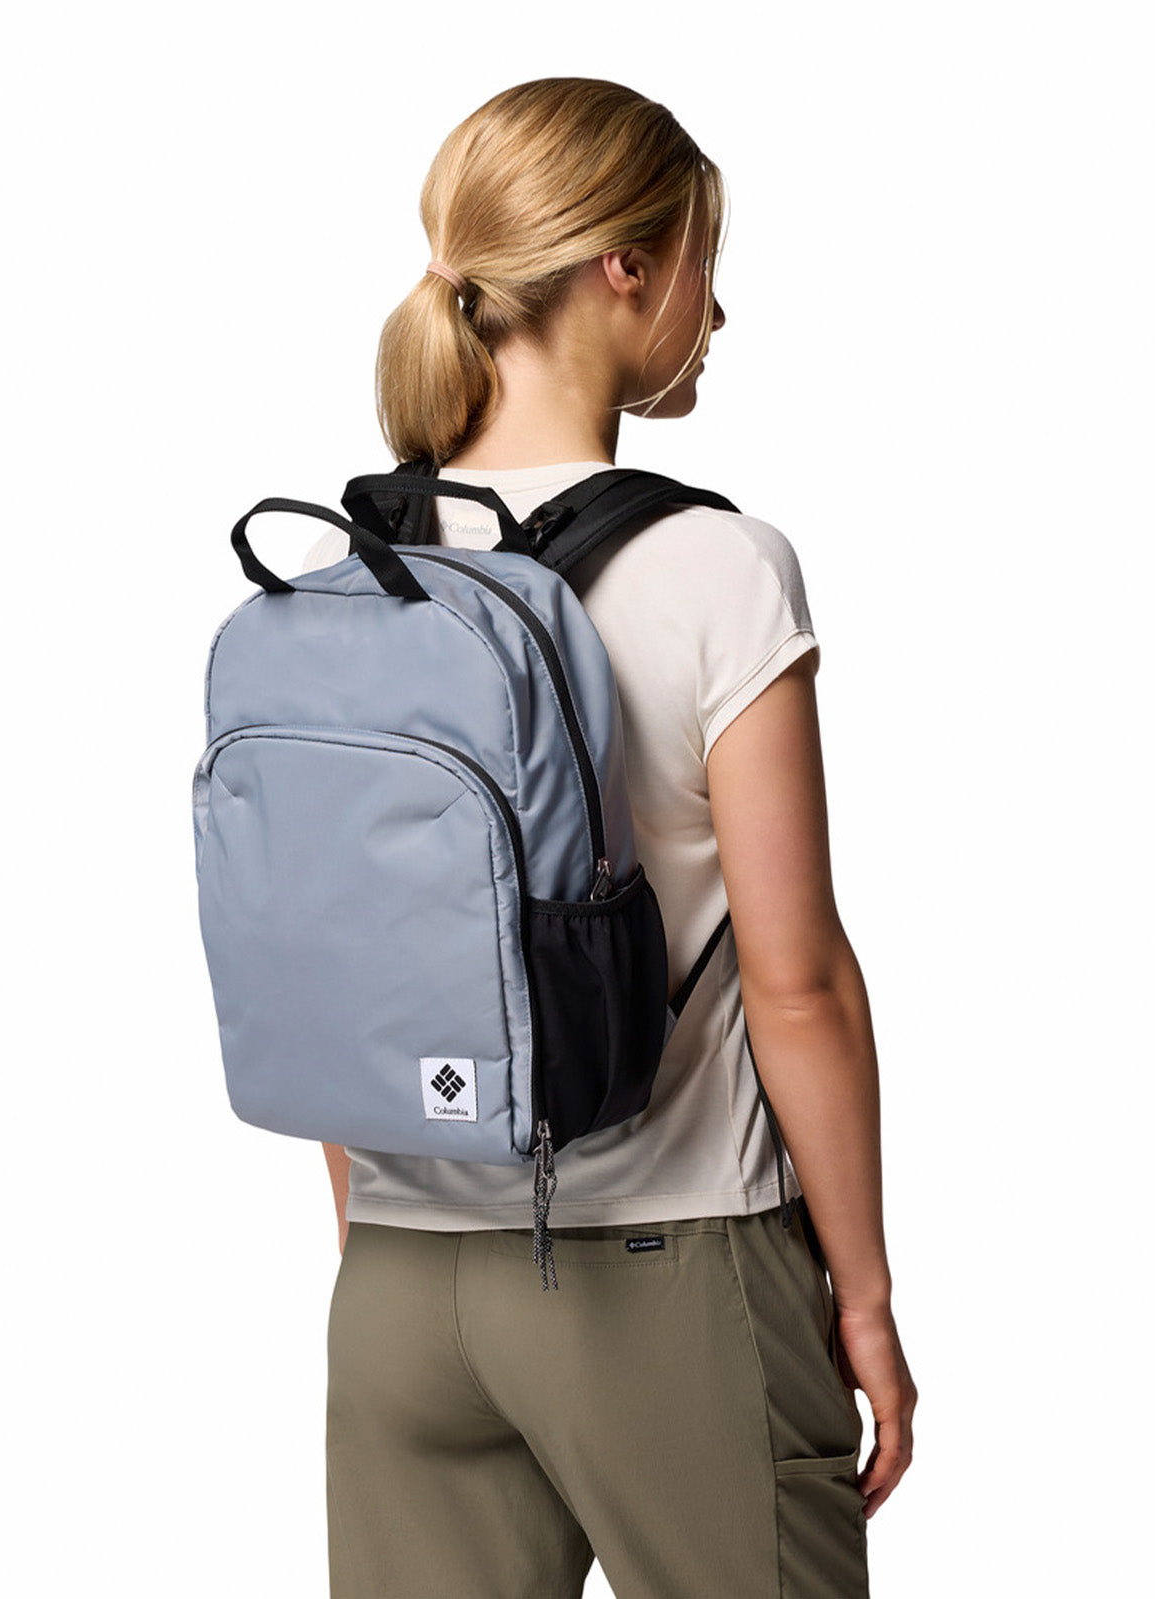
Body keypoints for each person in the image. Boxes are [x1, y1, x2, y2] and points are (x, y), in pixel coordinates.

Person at [308, 77, 916, 1599]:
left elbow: (336, 962)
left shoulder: (342, 571)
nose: (721, 308)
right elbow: (797, 984)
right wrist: (863, 1297)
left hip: (398, 1287)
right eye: (708, 259)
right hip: (672, 1268)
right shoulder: (717, 567)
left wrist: (388, 1234)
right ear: (626, 267)